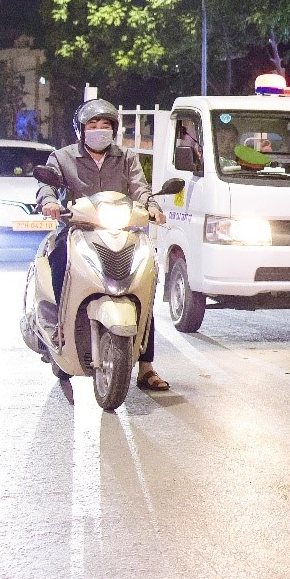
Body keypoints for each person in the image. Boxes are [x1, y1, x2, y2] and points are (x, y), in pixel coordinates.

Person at [37, 99, 170, 391]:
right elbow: (47, 185)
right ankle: (60, 326)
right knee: (60, 259)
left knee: (144, 280)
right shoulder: (62, 157)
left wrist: (152, 206)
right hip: (78, 230)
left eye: (106, 125)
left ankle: (146, 366)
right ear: (81, 130)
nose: (99, 130)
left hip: (120, 231)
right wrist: (49, 201)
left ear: (114, 129)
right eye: (93, 125)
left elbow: (140, 188)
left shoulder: (127, 157)